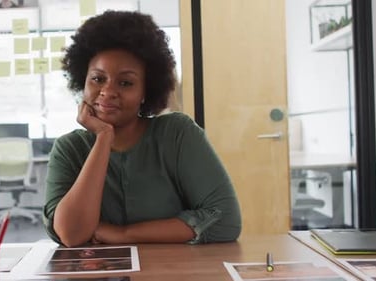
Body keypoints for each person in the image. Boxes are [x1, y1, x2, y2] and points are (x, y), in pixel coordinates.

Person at [43, 10, 241, 247]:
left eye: (125, 83)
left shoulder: (177, 134)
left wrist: (122, 234)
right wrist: (104, 137)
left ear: (145, 91)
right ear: (82, 81)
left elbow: (225, 221)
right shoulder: (69, 148)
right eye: (97, 79)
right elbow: (71, 234)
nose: (107, 91)